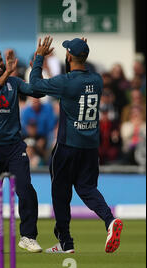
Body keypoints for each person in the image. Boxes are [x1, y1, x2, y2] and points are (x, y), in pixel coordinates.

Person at [29, 36, 123, 253]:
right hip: (90, 148)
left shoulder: (66, 82)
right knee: (87, 188)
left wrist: (39, 57)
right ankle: (109, 221)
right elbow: (82, 70)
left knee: (60, 194)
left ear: (68, 56)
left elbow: (35, 84)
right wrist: (80, 51)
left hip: (67, 146)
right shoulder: (98, 80)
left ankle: (65, 242)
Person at [0, 46, 43, 253]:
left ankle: (28, 236)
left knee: (26, 189)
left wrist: (37, 65)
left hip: (14, 146)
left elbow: (37, 91)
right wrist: (7, 72)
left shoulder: (14, 82)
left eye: (0, 60)